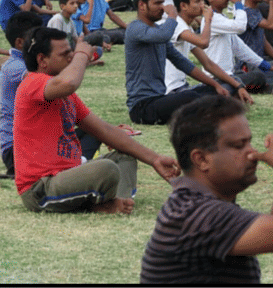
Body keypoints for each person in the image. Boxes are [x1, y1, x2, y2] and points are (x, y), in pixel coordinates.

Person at [140, 95, 273, 284]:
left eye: (249, 143)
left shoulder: (193, 206)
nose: (252, 153)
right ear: (201, 160)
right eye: (238, 146)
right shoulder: (195, 214)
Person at [13, 27, 181, 213]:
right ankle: (100, 204)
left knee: (124, 155)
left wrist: (155, 159)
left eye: (72, 52)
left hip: (70, 175)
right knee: (106, 168)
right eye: (65, 54)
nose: (71, 57)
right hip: (41, 188)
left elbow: (105, 131)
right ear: (42, 60)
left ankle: (115, 202)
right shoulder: (31, 83)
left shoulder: (67, 97)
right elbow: (69, 83)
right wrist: (82, 55)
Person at [124, 0, 228, 125]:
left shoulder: (158, 30)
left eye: (162, 2)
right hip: (142, 107)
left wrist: (215, 85)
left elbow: (183, 63)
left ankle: (211, 110)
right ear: (142, 5)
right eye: (157, 3)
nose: (162, 7)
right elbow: (163, 35)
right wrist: (173, 16)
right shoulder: (135, 29)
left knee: (212, 91)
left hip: (160, 99)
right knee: (191, 97)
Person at [201, 0, 273, 95]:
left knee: (264, 73)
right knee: (256, 76)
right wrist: (238, 4)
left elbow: (241, 48)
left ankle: (249, 87)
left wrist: (267, 66)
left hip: (231, 73)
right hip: (217, 77)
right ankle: (240, 88)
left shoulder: (222, 19)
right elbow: (240, 27)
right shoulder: (212, 20)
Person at [0, 12, 43, 178]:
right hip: (16, 150)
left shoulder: (27, 63)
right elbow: (48, 82)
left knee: (89, 134)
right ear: (20, 42)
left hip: (33, 143)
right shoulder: (15, 67)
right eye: (37, 38)